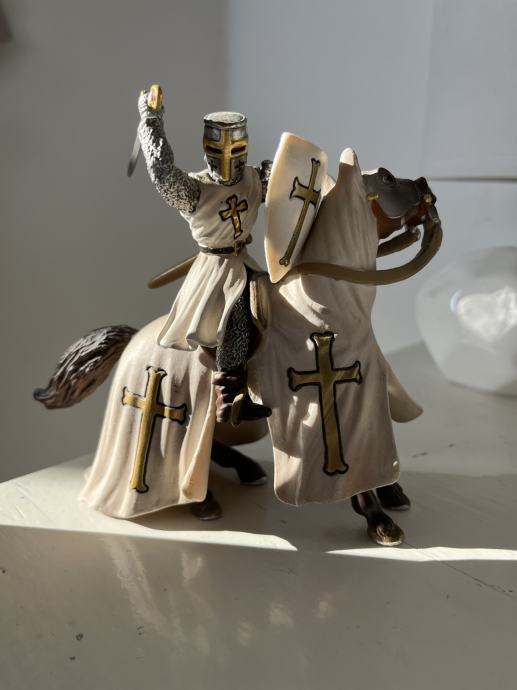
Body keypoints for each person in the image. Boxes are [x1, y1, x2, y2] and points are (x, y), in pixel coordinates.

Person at [137, 89, 272, 424]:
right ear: (206, 148)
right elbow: (162, 173)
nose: (227, 158)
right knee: (236, 311)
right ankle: (229, 396)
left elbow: (293, 180)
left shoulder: (256, 178)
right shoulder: (194, 190)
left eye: (235, 149)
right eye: (218, 150)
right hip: (215, 271)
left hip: (246, 262)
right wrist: (152, 119)